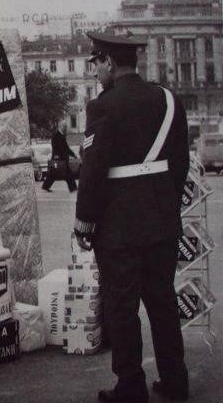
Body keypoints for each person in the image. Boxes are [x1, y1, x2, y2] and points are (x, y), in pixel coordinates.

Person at [74, 32, 189, 403]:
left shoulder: (103, 107)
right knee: (162, 302)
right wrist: (163, 204)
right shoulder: (170, 101)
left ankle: (131, 386)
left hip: (119, 229)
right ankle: (175, 381)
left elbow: (93, 173)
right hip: (162, 222)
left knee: (121, 307)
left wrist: (85, 222)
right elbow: (180, 166)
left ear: (108, 62)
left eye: (96, 63)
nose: (94, 72)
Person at [41, 122, 78, 192]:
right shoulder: (56, 135)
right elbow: (57, 148)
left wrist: (73, 154)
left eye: (66, 126)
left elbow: (66, 148)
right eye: (64, 126)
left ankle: (73, 188)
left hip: (61, 159)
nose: (65, 128)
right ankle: (73, 188)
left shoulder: (62, 135)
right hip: (59, 159)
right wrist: (58, 156)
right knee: (59, 173)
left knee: (57, 173)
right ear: (60, 126)